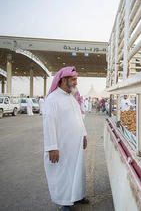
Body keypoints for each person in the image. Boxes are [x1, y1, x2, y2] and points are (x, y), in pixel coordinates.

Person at [42, 66, 88, 211]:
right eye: (73, 79)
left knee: (77, 171)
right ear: (63, 80)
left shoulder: (72, 98)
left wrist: (84, 135)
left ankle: (77, 196)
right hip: (62, 146)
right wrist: (52, 147)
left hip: (75, 145)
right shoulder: (53, 99)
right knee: (63, 174)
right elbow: (48, 124)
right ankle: (65, 202)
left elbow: (79, 118)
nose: (75, 83)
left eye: (76, 80)